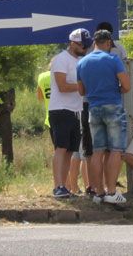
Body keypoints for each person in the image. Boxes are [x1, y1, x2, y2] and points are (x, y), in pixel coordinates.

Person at [77, 28, 131, 205]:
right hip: (113, 106)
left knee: (97, 151)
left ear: (94, 43)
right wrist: (117, 89)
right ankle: (112, 191)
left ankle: (98, 192)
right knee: (116, 149)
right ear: (108, 43)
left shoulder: (82, 63)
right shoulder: (113, 59)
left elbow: (81, 91)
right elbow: (127, 85)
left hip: (93, 108)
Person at [49, 28, 90, 198]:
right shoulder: (61, 59)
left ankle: (64, 186)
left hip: (76, 110)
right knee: (61, 148)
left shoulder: (80, 61)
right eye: (82, 45)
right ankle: (57, 185)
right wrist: (81, 87)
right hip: (61, 109)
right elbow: (62, 86)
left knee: (70, 151)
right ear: (73, 43)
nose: (84, 48)